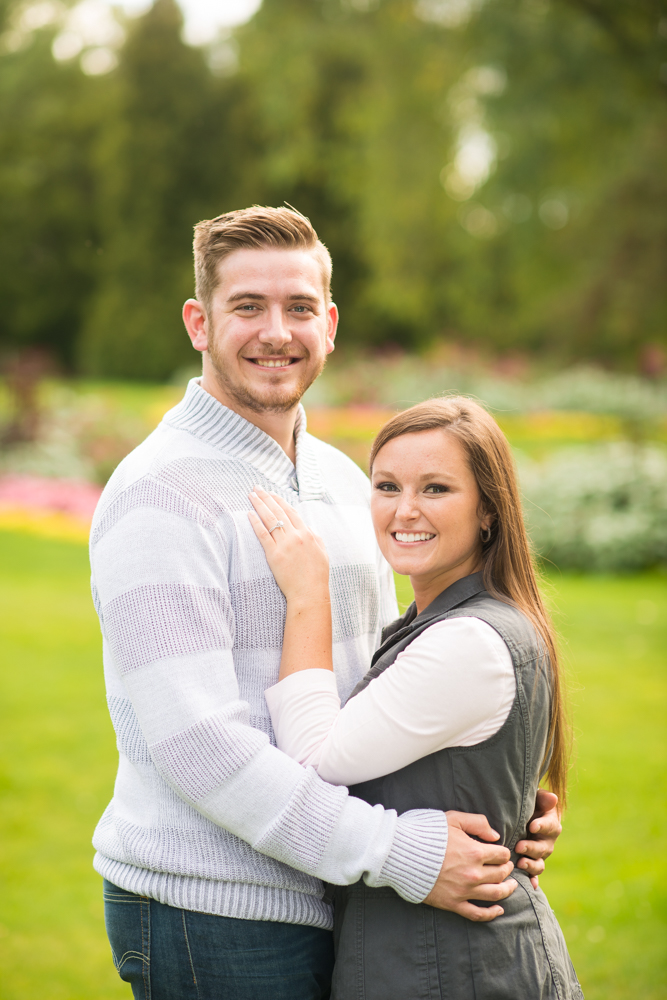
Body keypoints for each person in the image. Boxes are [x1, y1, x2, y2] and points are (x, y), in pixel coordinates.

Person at [90, 206, 561, 999]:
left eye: (299, 308)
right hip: (214, 909)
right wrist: (401, 852)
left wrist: (490, 803)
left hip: (338, 892)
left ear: (330, 324)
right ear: (198, 323)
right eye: (248, 307)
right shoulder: (158, 495)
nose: (277, 331)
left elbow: (379, 693)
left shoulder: (349, 484)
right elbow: (202, 749)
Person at [248, 395, 583, 999]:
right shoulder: (452, 621)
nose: (404, 510)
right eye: (387, 485)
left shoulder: (467, 642)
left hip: (454, 970)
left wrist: (308, 598)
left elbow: (315, 763)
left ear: (488, 511)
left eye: (435, 489)